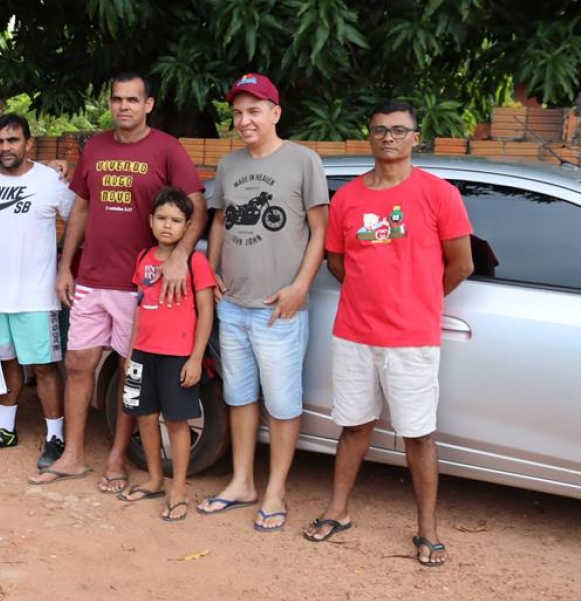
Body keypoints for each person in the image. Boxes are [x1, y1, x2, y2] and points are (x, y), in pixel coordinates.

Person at [302, 101, 473, 567]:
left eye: (399, 130)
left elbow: (461, 264)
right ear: (370, 136)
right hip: (354, 333)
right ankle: (338, 511)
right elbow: (337, 262)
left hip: (412, 338)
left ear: (416, 137)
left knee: (418, 434)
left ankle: (428, 530)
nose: (389, 138)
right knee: (354, 426)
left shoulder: (439, 194)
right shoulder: (348, 198)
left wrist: (420, 299)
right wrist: (371, 294)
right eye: (380, 130)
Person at [30, 72, 206, 489]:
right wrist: (65, 266)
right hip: (92, 278)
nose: (123, 106)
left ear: (148, 105)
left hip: (139, 284)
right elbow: (81, 208)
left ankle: (116, 458)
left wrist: (180, 256)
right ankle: (72, 456)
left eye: (132, 99)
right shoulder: (96, 146)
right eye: (117, 99)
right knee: (78, 363)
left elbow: (197, 206)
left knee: (131, 371)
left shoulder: (167, 148)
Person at [196, 74, 328, 531]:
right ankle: (241, 483)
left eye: (253, 111)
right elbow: (219, 222)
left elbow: (320, 230)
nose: (244, 120)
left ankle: (275, 491)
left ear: (275, 113)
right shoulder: (229, 165)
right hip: (232, 304)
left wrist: (300, 286)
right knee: (239, 397)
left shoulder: (303, 161)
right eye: (237, 113)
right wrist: (210, 270)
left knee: (283, 404)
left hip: (279, 309)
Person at [0, 113, 75, 468]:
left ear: (28, 143)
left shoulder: (51, 180)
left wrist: (66, 267)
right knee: (6, 362)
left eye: (13, 140)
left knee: (43, 367)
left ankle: (55, 437)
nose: (5, 147)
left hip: (37, 295)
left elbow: (78, 219)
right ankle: (4, 429)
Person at [120, 189, 216, 521]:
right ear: (150, 221)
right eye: (161, 218)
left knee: (176, 421)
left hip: (177, 355)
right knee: (145, 417)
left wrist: (195, 358)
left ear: (187, 226)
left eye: (176, 220)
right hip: (143, 353)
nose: (167, 225)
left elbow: (206, 311)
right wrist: (131, 350)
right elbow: (139, 306)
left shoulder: (194, 261)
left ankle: (178, 489)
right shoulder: (144, 257)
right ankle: (155, 478)